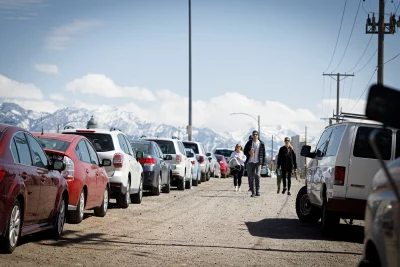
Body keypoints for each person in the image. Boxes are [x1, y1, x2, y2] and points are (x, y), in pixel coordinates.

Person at [244, 130, 266, 197]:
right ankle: (253, 192)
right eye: (254, 135)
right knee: (251, 177)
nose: (255, 136)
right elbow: (244, 151)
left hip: (258, 162)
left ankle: (258, 191)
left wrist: (263, 163)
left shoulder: (261, 143)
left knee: (257, 175)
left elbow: (263, 154)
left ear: (258, 136)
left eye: (256, 134)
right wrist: (248, 152)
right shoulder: (249, 143)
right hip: (250, 162)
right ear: (252, 136)